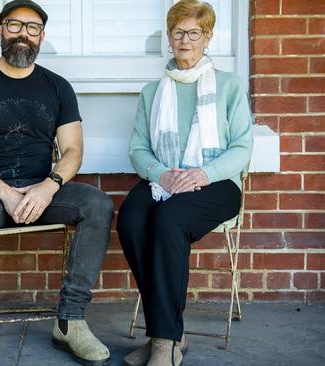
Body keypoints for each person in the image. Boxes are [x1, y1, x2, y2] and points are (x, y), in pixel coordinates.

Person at [0, 1, 113, 365]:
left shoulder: (57, 87)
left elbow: (73, 151)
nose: (23, 33)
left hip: (43, 192)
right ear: (0, 30)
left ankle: (70, 322)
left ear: (42, 36)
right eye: (15, 25)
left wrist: (48, 186)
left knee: (97, 204)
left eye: (32, 27)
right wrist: (4, 192)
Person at [116, 1, 253, 365]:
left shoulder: (228, 86)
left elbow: (242, 146)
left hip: (216, 184)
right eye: (179, 32)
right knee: (131, 219)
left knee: (168, 221)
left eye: (194, 33)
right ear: (169, 36)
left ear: (208, 38)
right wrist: (161, 174)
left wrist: (204, 174)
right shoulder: (152, 92)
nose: (185, 40)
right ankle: (170, 334)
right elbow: (138, 148)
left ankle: (163, 342)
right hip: (166, 178)